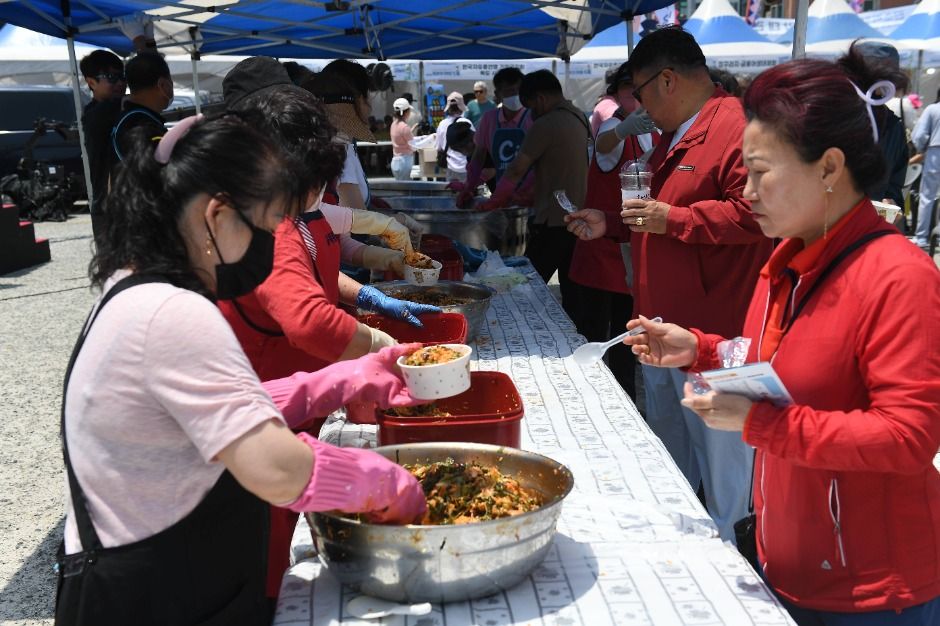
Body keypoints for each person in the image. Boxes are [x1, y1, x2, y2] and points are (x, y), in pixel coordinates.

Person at [57, 113, 427, 624]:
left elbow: (201, 413)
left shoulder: (132, 285)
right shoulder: (171, 312)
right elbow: (275, 469)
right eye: (266, 226)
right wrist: (383, 482)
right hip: (157, 594)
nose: (270, 244)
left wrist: (331, 382)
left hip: (160, 575)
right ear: (217, 216)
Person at [619, 53, 940, 626]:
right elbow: (776, 361)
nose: (749, 192)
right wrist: (702, 349)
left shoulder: (898, 275)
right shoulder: (787, 261)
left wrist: (760, 424)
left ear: (829, 167)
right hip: (788, 562)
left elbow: (907, 437)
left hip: (871, 590)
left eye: (761, 173)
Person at [564, 27, 773, 541]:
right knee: (670, 465)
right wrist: (611, 224)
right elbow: (657, 213)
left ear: (667, 80)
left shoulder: (738, 127)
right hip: (661, 328)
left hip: (717, 335)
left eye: (639, 92)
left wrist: (673, 219)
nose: (639, 107)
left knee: (724, 481)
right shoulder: (676, 134)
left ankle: (731, 563)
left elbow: (757, 215)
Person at [568, 61, 655, 400]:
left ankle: (624, 404)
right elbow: (604, 145)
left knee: (625, 341)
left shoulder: (651, 127)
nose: (636, 96)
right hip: (601, 248)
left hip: (631, 246)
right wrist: (622, 130)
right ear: (617, 92)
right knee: (594, 337)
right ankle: (588, 400)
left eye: (640, 89)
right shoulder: (614, 123)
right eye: (629, 90)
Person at [483, 69, 590, 318]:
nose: (530, 114)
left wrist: (494, 201)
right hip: (578, 218)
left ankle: (514, 327)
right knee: (572, 289)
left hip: (553, 220)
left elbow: (516, 170)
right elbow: (559, 168)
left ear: (540, 99)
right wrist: (522, 195)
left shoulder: (546, 123)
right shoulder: (579, 116)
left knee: (524, 285)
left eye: (530, 106)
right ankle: (575, 333)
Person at [456, 67, 534, 206]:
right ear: (498, 94)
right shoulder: (489, 120)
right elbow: (478, 157)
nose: (515, 95)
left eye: (518, 91)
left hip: (532, 196)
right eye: (509, 91)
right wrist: (469, 186)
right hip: (501, 194)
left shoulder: (533, 117)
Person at [851, 42, 910, 210]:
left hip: (871, 219)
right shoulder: (834, 117)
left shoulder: (893, 126)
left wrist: (892, 201)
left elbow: (895, 183)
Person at [79, 50, 126, 246]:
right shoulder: (96, 113)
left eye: (122, 77)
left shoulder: (118, 107)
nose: (120, 83)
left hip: (126, 204)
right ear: (91, 82)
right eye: (111, 77)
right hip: (109, 209)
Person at [110, 52, 172, 164]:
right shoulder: (142, 125)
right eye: (170, 80)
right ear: (162, 84)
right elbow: (162, 169)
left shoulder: (130, 118)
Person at [910, 87, 940, 250]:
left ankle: (922, 237)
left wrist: (922, 149)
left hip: (935, 152)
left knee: (927, 197)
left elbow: (919, 135)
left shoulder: (932, 109)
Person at [436, 92, 472, 182]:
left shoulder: (442, 124)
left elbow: (439, 148)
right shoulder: (467, 123)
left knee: (451, 190)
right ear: (461, 107)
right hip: (466, 167)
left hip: (450, 166)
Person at [390, 97, 415, 180]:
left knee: (399, 184)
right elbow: (413, 145)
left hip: (395, 160)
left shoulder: (393, 124)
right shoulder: (404, 127)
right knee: (406, 185)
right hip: (405, 161)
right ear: (406, 112)